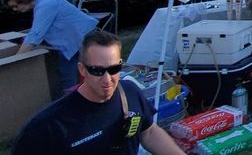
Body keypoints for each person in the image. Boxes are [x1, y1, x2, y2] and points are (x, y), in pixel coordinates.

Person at [11, 30, 185, 155]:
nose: (107, 79)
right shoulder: (47, 125)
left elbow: (148, 132)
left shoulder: (130, 92)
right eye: (97, 70)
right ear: (82, 70)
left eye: (114, 68)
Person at [3, 0, 98, 98]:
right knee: (68, 78)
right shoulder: (43, 5)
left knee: (77, 78)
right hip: (74, 45)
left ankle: (71, 105)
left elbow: (36, 35)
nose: (15, 9)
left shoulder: (45, 5)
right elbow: (41, 31)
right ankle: (72, 102)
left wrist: (16, 60)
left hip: (85, 42)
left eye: (15, 5)